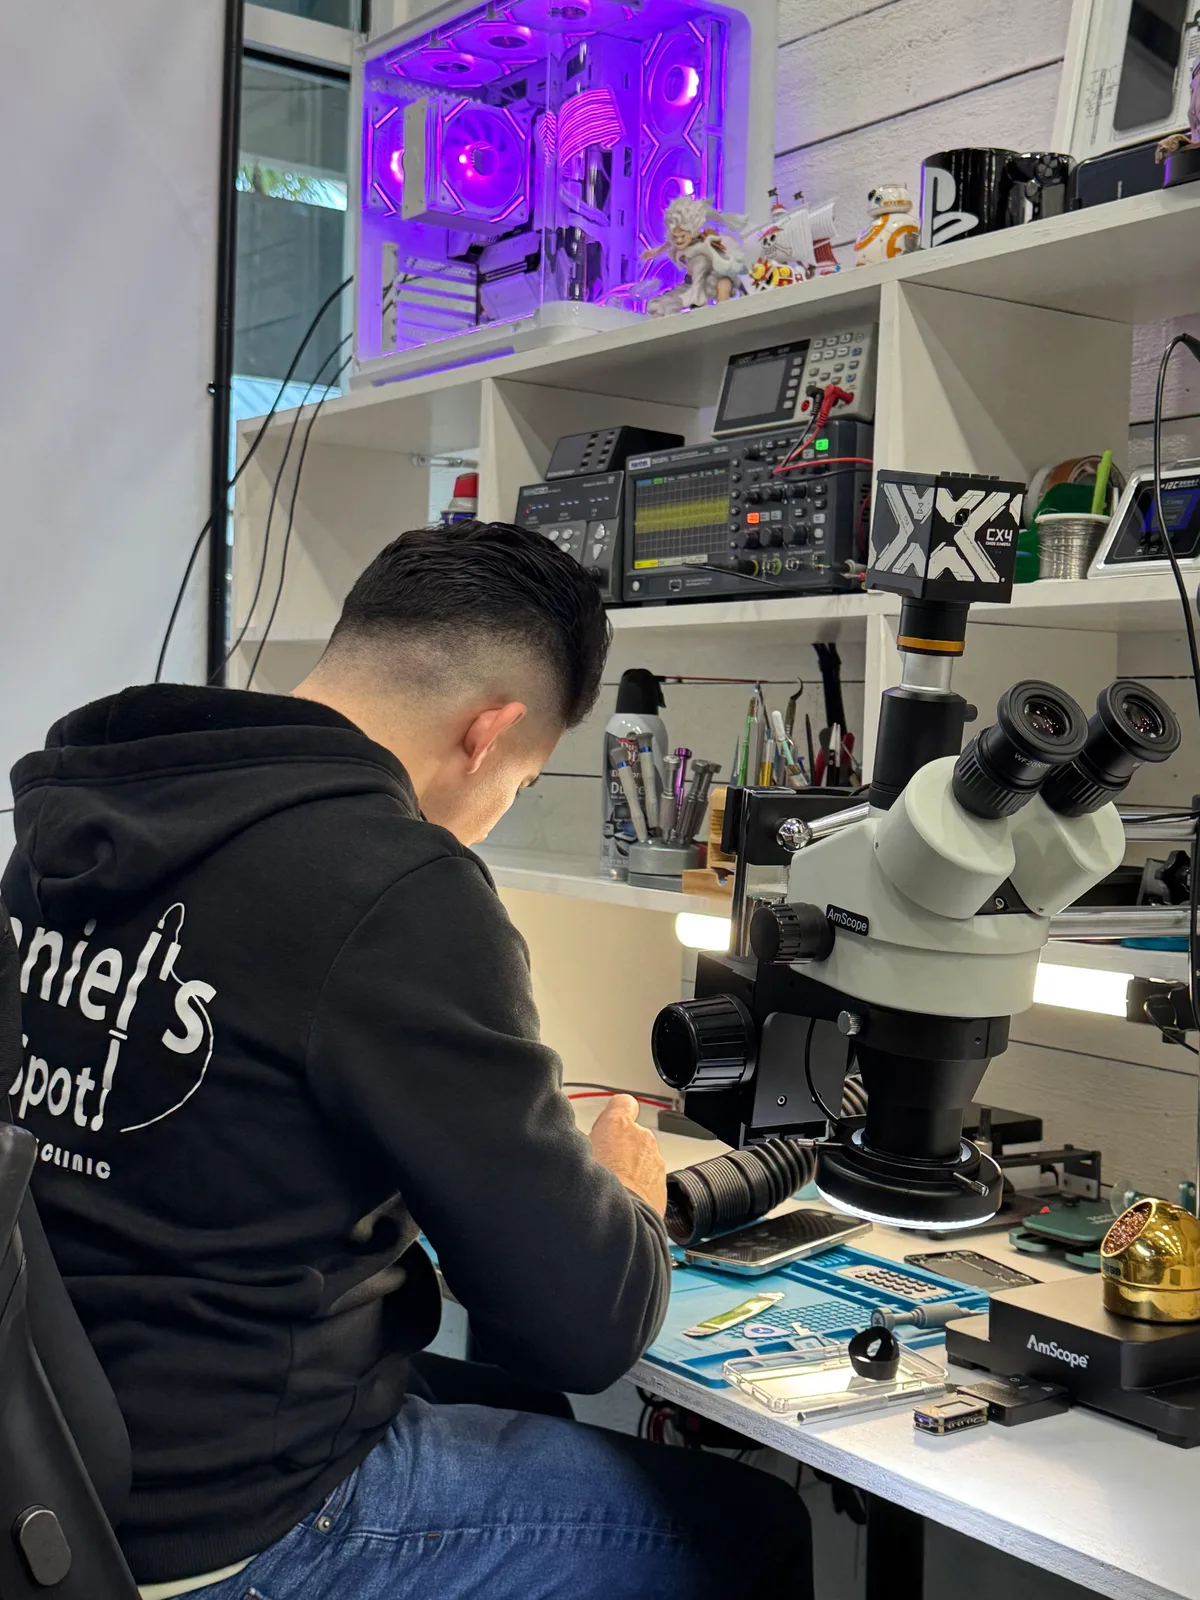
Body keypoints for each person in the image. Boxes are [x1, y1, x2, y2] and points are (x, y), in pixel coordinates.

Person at [3, 521, 812, 1600]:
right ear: (489, 732)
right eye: (522, 783)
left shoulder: (85, 819)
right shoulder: (394, 883)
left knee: (526, 1413)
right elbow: (587, 1326)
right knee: (748, 1530)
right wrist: (630, 1198)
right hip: (228, 1520)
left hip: (57, 1464)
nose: (496, 816)